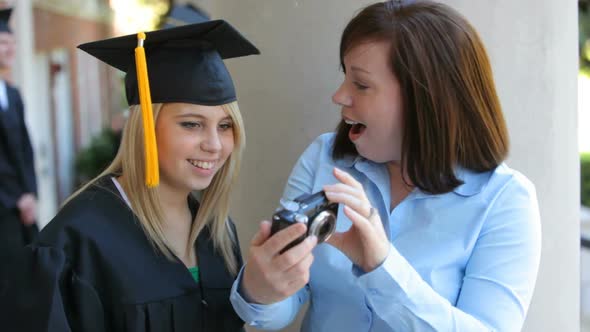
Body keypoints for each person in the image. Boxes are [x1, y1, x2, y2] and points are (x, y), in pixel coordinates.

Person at [230, 1, 541, 331]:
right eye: (345, 77)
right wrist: (261, 289)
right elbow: (280, 310)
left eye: (361, 85)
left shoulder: (505, 201)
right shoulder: (323, 158)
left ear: (425, 99)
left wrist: (381, 266)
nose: (339, 96)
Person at [0, 19, 259, 331]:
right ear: (144, 129)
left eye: (225, 125)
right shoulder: (78, 239)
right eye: (191, 124)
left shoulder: (217, 231)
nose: (215, 145)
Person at [0, 7, 38, 278]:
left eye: (12, 43)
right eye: (3, 43)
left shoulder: (11, 93)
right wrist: (15, 198)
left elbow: (25, 149)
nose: (10, 49)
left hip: (20, 207)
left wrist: (30, 194)